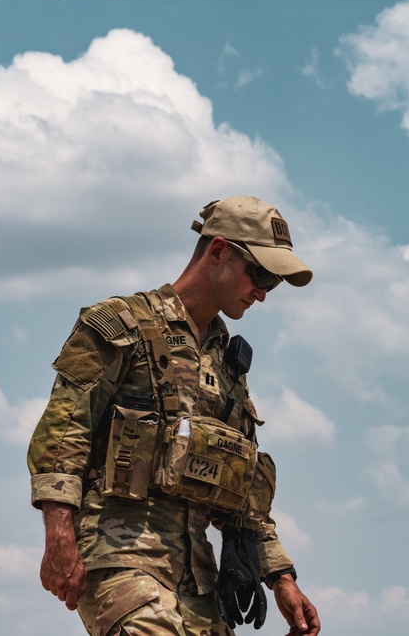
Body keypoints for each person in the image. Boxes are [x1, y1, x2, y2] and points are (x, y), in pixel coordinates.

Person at [28, 196, 321, 636]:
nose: (263, 291)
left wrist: (281, 577)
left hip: (197, 577)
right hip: (120, 555)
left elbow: (243, 490)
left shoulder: (228, 364)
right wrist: (59, 538)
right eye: (259, 273)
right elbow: (63, 436)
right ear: (218, 251)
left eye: (273, 282)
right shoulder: (120, 325)